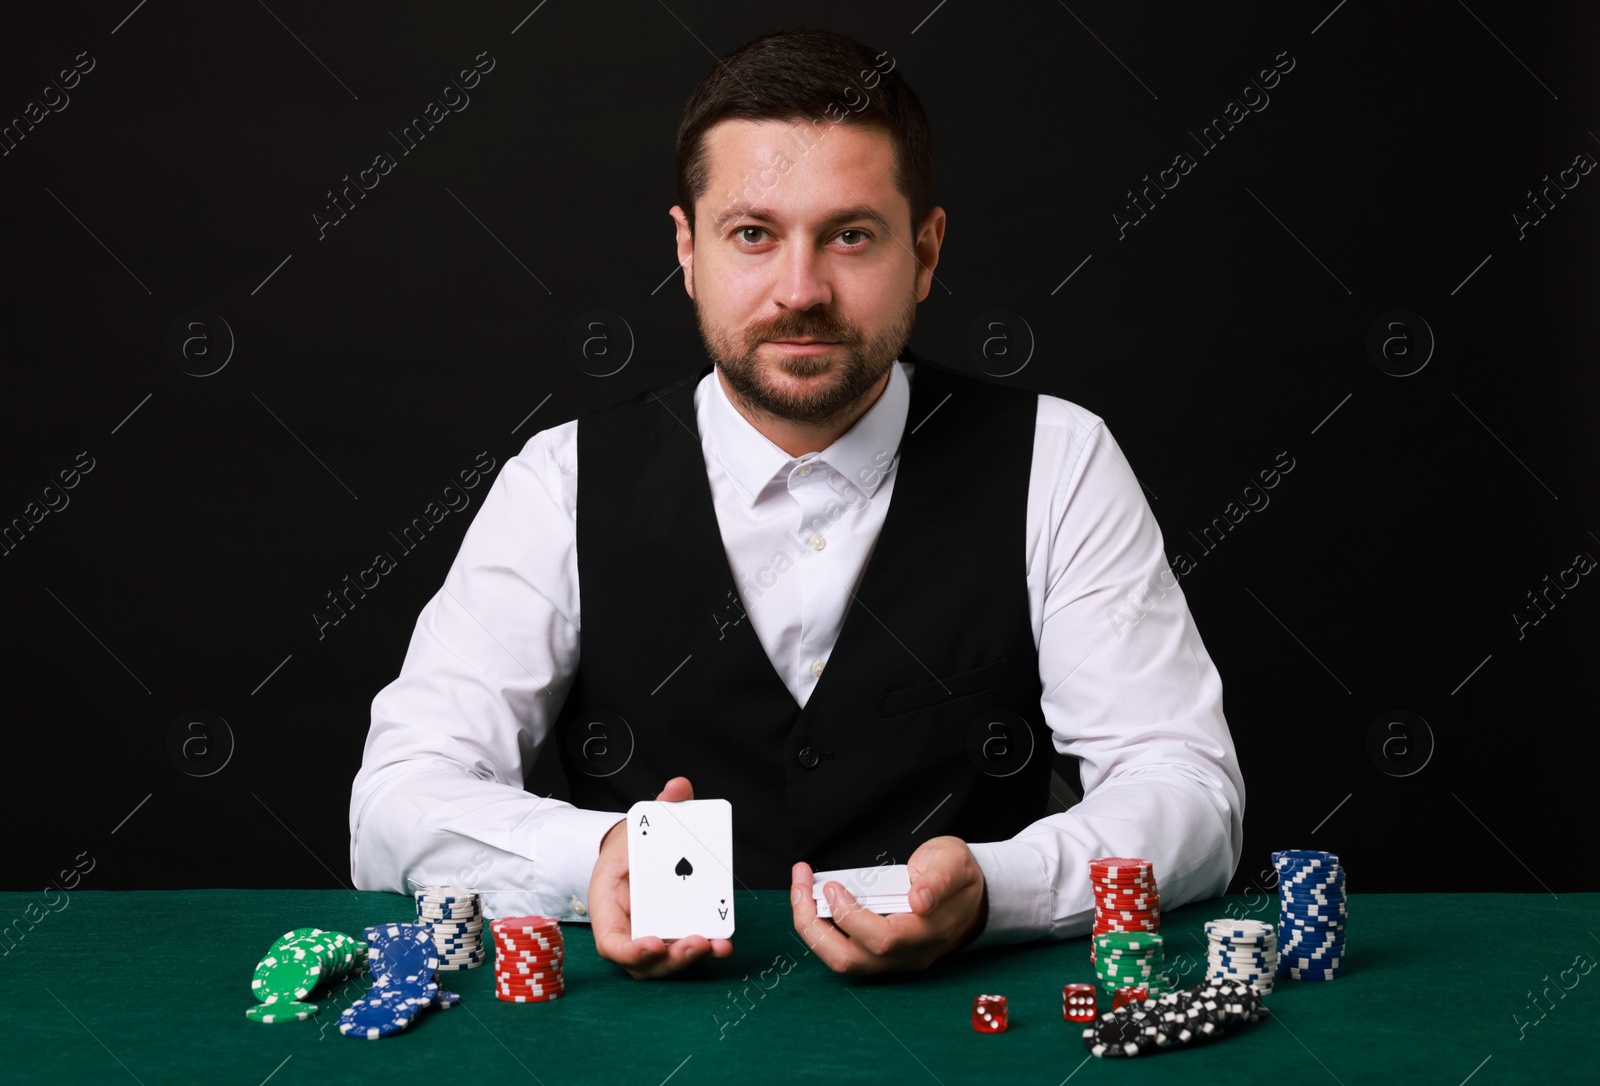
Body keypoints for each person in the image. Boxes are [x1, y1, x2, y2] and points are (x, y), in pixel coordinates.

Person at [349, 27, 1243, 979]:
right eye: (753, 234)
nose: (800, 290)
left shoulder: (1058, 461)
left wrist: (998, 886)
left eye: (850, 235)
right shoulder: (559, 480)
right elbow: (398, 802)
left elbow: (1188, 789)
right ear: (687, 251)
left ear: (927, 251)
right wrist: (595, 861)